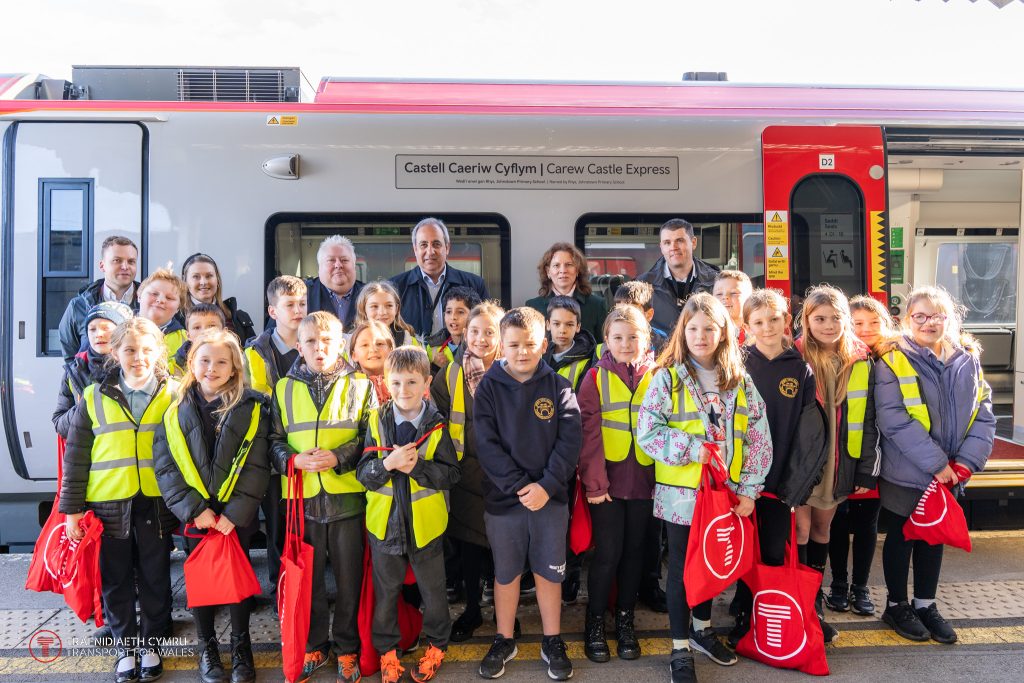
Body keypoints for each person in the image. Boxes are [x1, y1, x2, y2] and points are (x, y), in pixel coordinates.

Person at [636, 292, 771, 683]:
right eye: (692, 328)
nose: (700, 335)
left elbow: (759, 436)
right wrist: (693, 448)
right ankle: (679, 647)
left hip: (725, 491)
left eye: (709, 328)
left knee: (712, 562)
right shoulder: (668, 377)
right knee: (681, 568)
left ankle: (701, 629)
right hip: (682, 493)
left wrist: (750, 488)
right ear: (682, 332)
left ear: (723, 333)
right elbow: (648, 432)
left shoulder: (739, 381)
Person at [60, 317, 179, 683]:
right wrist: (72, 510)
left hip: (157, 502)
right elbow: (77, 455)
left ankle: (152, 643)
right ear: (115, 352)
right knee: (115, 578)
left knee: (155, 575)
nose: (138, 357)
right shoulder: (94, 397)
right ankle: (125, 645)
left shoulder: (175, 393)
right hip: (107, 503)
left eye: (146, 350)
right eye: (129, 350)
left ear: (159, 351)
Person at [874, 286, 994, 644]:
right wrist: (938, 464)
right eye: (920, 316)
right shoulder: (893, 359)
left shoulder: (967, 358)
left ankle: (925, 604)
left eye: (936, 316)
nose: (928, 323)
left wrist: (967, 464)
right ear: (906, 320)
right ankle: (896, 606)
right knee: (901, 537)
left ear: (949, 318)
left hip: (952, 472)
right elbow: (892, 418)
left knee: (933, 537)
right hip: (908, 471)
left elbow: (984, 413)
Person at [153, 330, 270, 683]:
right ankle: (206, 646)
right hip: (197, 515)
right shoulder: (175, 409)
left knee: (236, 583)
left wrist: (234, 515)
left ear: (235, 367)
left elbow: (257, 465)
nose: (212, 368)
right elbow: (166, 466)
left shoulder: (252, 407)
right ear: (191, 363)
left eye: (222, 362)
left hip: (235, 517)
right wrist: (194, 510)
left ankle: (240, 645)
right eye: (204, 360)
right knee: (201, 583)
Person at [474, 307, 582, 681]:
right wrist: (522, 487)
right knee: (506, 574)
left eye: (530, 345)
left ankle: (552, 639)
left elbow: (569, 444)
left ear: (544, 345)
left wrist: (546, 486)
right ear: (501, 345)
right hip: (506, 501)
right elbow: (486, 446)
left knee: (549, 572)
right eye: (514, 344)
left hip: (549, 501)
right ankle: (504, 638)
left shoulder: (559, 387)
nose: (522, 352)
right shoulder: (488, 388)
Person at [269, 311, 377, 683]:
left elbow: (370, 438)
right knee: (310, 582)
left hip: (348, 500)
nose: (319, 348)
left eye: (327, 341)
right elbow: (273, 442)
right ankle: (316, 644)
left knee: (349, 582)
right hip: (302, 503)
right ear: (299, 346)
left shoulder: (362, 385)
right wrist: (293, 460)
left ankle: (347, 647)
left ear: (341, 344)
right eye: (311, 341)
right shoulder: (283, 388)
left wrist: (339, 457)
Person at [357, 346, 461, 683]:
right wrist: (387, 465)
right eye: (397, 383)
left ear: (427, 383)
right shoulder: (375, 420)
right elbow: (363, 473)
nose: (404, 391)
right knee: (385, 595)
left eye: (412, 382)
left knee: (434, 593)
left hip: (426, 528)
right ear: (386, 383)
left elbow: (451, 474)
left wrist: (420, 469)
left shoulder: (436, 425)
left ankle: (436, 646)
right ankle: (387, 653)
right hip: (385, 527)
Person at [728, 289, 824, 647]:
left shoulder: (800, 369)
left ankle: (762, 610)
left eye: (774, 319)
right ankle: (741, 605)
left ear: (787, 320)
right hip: (739, 480)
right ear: (746, 325)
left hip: (779, 481)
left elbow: (806, 431)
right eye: (758, 321)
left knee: (771, 550)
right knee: (742, 549)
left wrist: (797, 480)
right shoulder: (736, 363)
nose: (767, 327)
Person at [795, 285, 880, 645]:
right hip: (801, 465)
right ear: (807, 321)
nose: (829, 325)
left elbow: (869, 418)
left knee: (822, 531)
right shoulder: (795, 357)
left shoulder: (860, 360)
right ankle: (799, 601)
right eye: (820, 319)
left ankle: (815, 598)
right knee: (799, 530)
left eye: (836, 318)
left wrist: (863, 470)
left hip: (838, 463)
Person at [577, 305, 656, 664]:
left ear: (646, 338)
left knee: (635, 553)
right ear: (606, 340)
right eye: (618, 337)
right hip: (606, 485)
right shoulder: (594, 378)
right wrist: (594, 484)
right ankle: (594, 620)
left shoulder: (659, 375)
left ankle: (625, 619)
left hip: (645, 481)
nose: (626, 343)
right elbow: (587, 436)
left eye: (633, 337)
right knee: (607, 554)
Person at [430, 302, 505, 643]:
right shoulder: (448, 374)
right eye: (475, 331)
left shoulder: (512, 370)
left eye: (490, 332)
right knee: (471, 549)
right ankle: (473, 609)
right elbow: (441, 426)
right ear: (464, 333)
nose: (481, 338)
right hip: (465, 472)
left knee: (502, 549)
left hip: (505, 475)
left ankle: (505, 613)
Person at [825, 295, 900, 616]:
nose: (867, 329)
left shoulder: (894, 357)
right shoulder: (842, 359)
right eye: (858, 323)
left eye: (874, 323)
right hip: (843, 459)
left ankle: (861, 586)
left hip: (875, 458)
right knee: (838, 522)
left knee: (868, 524)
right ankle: (839, 585)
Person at [244, 275, 306, 591]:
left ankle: (308, 586)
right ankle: (280, 589)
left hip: (309, 450)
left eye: (302, 304)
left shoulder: (314, 344)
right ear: (272, 311)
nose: (297, 310)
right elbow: (260, 399)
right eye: (289, 305)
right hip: (273, 454)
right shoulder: (255, 351)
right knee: (279, 524)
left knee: (308, 525)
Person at [611, 280, 669, 611]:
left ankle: (649, 584)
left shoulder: (664, 350)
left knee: (651, 532)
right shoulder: (605, 352)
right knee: (623, 538)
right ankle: (622, 591)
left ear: (647, 316)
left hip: (654, 458)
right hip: (620, 459)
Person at [389, 217, 489, 338]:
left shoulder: (474, 284)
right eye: (423, 245)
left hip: (461, 356)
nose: (430, 251)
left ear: (447, 248)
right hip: (412, 356)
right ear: (415, 249)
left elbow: (488, 327)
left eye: (436, 244)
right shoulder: (394, 288)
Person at [52, 302, 134, 439]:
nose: (98, 334)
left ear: (122, 332)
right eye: (92, 329)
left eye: (106, 328)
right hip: (88, 456)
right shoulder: (75, 371)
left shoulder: (136, 365)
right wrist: (82, 408)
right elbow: (59, 424)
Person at [58, 235, 141, 362]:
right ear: (102, 266)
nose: (125, 266)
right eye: (117, 260)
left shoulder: (150, 304)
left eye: (131, 261)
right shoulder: (78, 307)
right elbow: (71, 357)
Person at [637, 219, 719, 336]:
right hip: (661, 354)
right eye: (667, 242)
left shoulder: (716, 281)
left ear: (694, 242)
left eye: (679, 241)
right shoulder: (643, 284)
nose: (673, 247)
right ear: (661, 247)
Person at [525, 243, 608, 342]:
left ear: (577, 270)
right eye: (556, 265)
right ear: (548, 272)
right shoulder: (533, 307)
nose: (563, 270)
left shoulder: (597, 305)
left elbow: (603, 346)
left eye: (569, 265)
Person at [180, 253, 257, 344]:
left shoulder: (237, 319)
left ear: (217, 280)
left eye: (209, 276)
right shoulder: (176, 320)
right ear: (185, 282)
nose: (203, 282)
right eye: (196, 277)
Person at [305, 235, 365, 331]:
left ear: (354, 266)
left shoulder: (369, 294)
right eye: (331, 260)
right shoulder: (302, 294)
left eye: (344, 260)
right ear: (319, 268)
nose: (338, 265)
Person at [543, 296, 596, 392]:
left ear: (578, 327)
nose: (562, 330)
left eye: (569, 324)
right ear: (548, 325)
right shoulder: (538, 355)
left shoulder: (587, 361)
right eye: (556, 324)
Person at [138, 268, 188, 366]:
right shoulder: (117, 330)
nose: (161, 300)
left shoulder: (186, 340)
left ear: (178, 307)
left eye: (169, 298)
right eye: (154, 294)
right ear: (139, 296)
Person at [428, 286, 482, 372]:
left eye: (460, 312)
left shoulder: (481, 346)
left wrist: (447, 368)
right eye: (449, 312)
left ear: (474, 315)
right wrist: (433, 365)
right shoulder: (431, 347)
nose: (453, 317)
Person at [355, 281, 422, 348]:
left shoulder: (409, 340)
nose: (382, 312)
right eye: (374, 306)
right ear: (363, 309)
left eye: (389, 305)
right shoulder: (352, 341)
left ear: (397, 308)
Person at [169, 303, 226, 378]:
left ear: (224, 332)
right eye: (197, 327)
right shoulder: (174, 364)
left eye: (211, 326)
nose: (204, 331)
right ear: (188, 335)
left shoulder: (235, 360)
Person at [613, 280, 669, 355]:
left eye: (630, 313)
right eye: (618, 312)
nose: (623, 318)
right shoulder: (608, 344)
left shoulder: (662, 342)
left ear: (648, 315)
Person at [349, 320, 397, 403]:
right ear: (354, 355)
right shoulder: (349, 386)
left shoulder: (405, 382)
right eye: (365, 345)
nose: (373, 349)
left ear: (391, 350)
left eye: (379, 344)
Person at [713, 271, 753, 343]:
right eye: (719, 294)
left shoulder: (759, 333)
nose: (725, 297)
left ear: (750, 298)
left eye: (734, 293)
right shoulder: (709, 334)